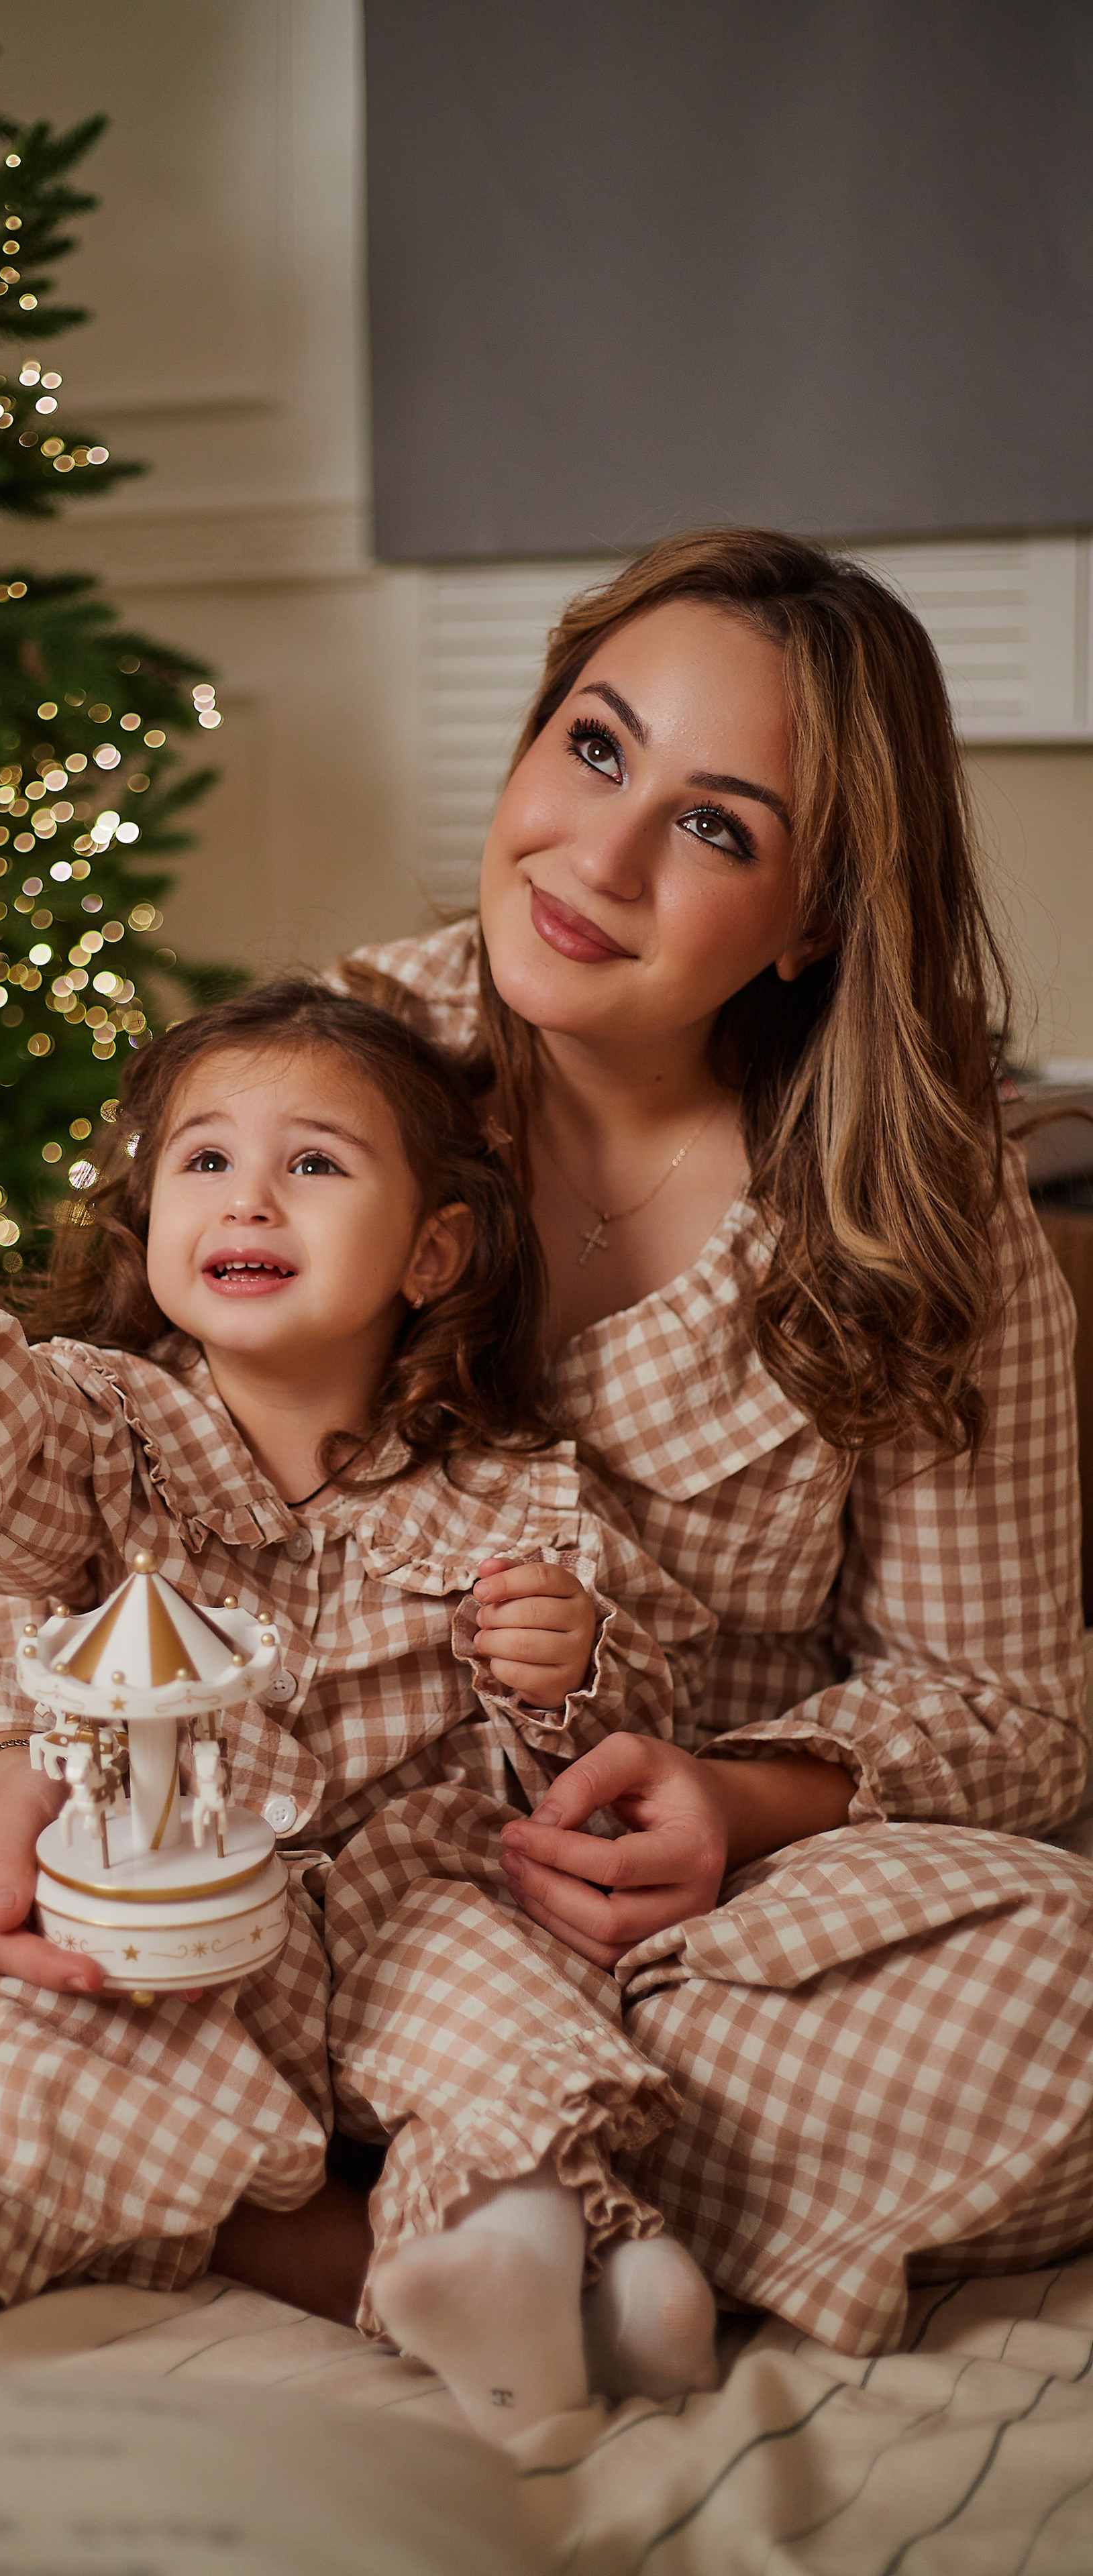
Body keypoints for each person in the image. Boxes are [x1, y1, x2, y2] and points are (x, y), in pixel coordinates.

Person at [0, 983, 715, 2438]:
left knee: (501, 2013)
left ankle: (515, 2249)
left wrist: (569, 1665)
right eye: (204, 1161)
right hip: (170, 1895)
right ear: (150, 1217)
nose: (249, 1197)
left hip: (420, 1906)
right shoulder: (101, 1429)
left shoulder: (519, 1490)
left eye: (312, 1164)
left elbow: (630, 1723)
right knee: (71, 2007)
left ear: (432, 1249)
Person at [284, 525, 1090, 2361]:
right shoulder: (336, 1060)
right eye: (593, 746)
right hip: (295, 1879)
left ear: (814, 921)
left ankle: (291, 2156)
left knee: (1072, 1976)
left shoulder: (919, 1197)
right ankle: (384, 2225)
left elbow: (1012, 1708)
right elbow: (102, 1474)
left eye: (718, 826)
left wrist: (736, 1800)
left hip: (684, 1954)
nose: (602, 854)